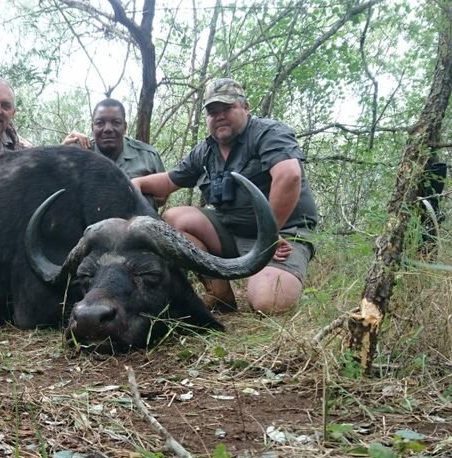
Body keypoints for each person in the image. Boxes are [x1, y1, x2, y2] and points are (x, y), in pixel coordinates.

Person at [133, 78, 318, 314]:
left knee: (267, 304)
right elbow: (169, 181)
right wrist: (133, 183)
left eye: (227, 108)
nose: (219, 116)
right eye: (212, 111)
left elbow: (289, 176)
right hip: (232, 232)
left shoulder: (269, 132)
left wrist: (270, 236)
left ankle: (273, 275)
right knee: (174, 218)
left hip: (281, 235)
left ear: (246, 107)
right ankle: (219, 293)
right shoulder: (205, 150)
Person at [62, 98, 165, 206]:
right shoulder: (78, 155)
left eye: (116, 123)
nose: (108, 129)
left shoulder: (147, 156)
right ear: (92, 127)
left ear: (125, 127)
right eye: (100, 123)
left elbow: (162, 197)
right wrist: (61, 152)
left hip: (139, 220)